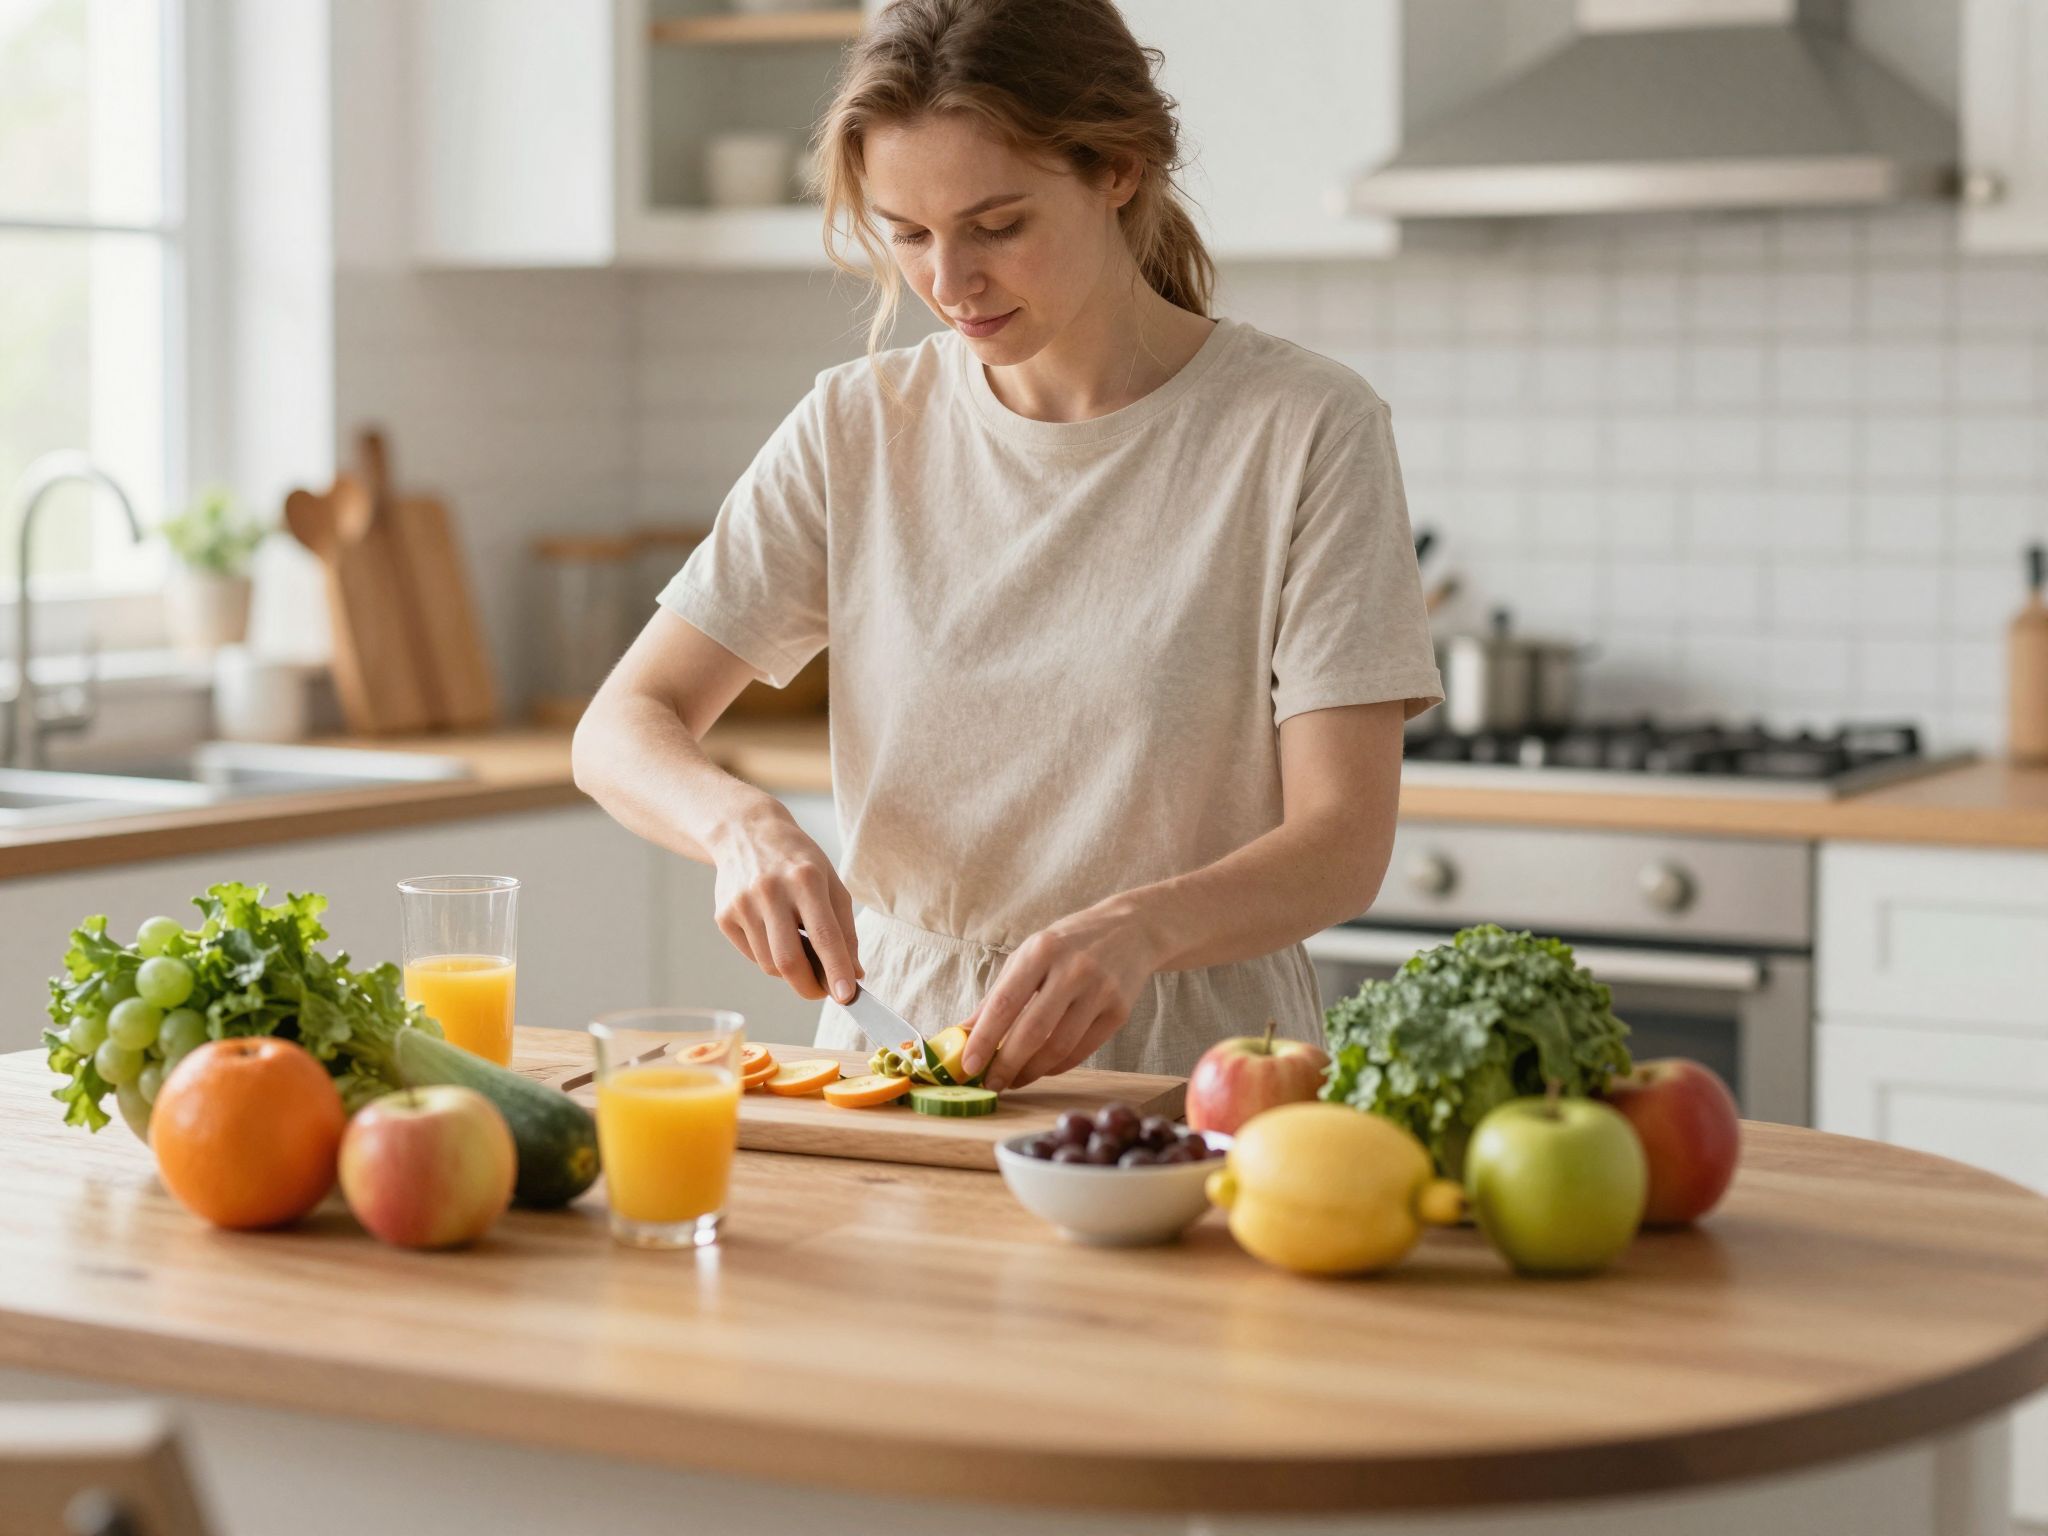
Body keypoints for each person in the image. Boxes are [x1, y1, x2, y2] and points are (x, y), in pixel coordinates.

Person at [573, 0, 1441, 1091]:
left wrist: (1136, 931)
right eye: (907, 233)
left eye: (996, 225)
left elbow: (1341, 842)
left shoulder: (1304, 428)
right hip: (895, 1057)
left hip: (1199, 1078)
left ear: (1117, 168)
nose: (948, 282)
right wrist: (742, 825)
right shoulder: (856, 428)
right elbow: (618, 729)